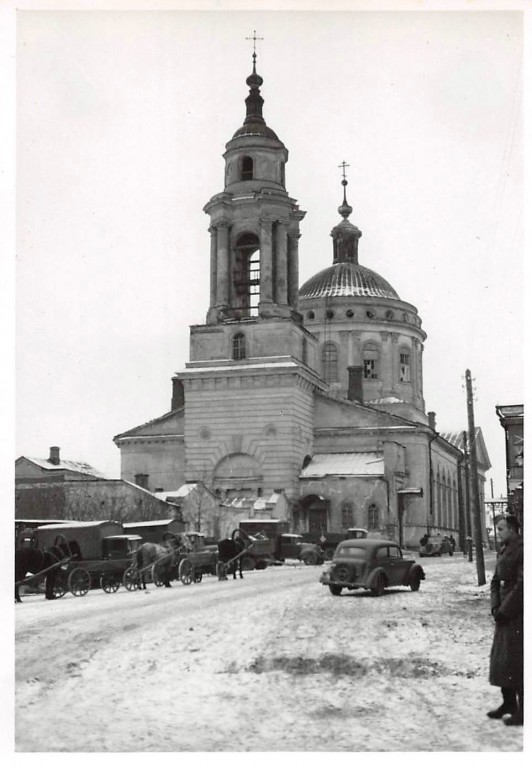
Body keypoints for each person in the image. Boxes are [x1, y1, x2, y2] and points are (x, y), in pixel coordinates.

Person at [487, 515, 523, 726]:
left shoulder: (523, 549)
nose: (497, 532)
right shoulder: (503, 549)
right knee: (502, 660)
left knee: (518, 661)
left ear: (513, 529)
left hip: (517, 614)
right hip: (503, 612)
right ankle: (509, 703)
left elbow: (522, 585)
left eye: (500, 529)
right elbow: (495, 581)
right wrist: (494, 607)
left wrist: (505, 610)